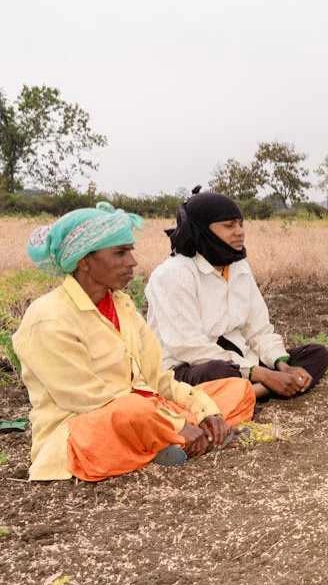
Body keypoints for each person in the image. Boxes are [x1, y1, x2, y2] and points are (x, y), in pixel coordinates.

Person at [14, 202, 255, 482]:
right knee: (132, 409)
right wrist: (176, 420)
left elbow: (159, 380)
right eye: (120, 253)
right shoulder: (47, 318)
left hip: (148, 412)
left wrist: (204, 411)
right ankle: (171, 439)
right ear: (84, 261)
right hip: (86, 428)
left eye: (130, 251)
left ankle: (168, 443)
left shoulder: (122, 304)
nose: (132, 262)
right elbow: (90, 400)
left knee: (238, 389)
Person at [146, 188, 328, 399]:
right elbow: (189, 347)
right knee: (218, 371)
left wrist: (282, 366)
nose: (239, 231)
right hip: (189, 366)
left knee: (317, 354)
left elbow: (258, 329)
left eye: (240, 224)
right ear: (201, 230)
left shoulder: (239, 267)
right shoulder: (173, 274)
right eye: (229, 225)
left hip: (240, 360)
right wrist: (262, 374)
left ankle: (255, 391)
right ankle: (259, 390)